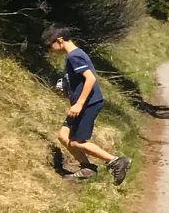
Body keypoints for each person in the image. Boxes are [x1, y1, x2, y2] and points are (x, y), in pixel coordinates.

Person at [45, 27, 130, 185]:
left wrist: (79, 103)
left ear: (60, 40)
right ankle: (87, 168)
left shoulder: (74, 56)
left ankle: (117, 161)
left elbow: (90, 79)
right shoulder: (75, 55)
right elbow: (81, 80)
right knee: (64, 136)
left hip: (88, 104)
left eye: (50, 45)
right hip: (82, 104)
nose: (50, 50)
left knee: (77, 141)